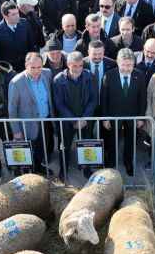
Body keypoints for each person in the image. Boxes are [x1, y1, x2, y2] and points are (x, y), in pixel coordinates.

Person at [99, 48, 145, 176]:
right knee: (112, 140)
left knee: (130, 141)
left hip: (133, 115)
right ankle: (112, 163)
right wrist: (105, 118)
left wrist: (141, 117)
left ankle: (128, 162)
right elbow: (104, 99)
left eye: (130, 65)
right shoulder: (109, 75)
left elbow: (142, 98)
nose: (126, 68)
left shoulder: (139, 75)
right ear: (118, 63)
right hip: (114, 115)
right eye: (124, 64)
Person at [8, 52, 54, 175]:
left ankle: (38, 167)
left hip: (45, 120)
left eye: (39, 67)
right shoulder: (16, 82)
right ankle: (28, 174)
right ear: (26, 65)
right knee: (29, 150)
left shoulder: (47, 74)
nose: (36, 71)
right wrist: (16, 131)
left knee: (41, 147)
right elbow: (12, 109)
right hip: (27, 124)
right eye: (32, 67)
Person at [52, 51, 97, 177]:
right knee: (64, 146)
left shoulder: (90, 77)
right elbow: (59, 104)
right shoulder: (58, 80)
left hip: (85, 120)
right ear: (68, 64)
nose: (78, 69)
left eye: (80, 66)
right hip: (66, 121)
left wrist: (84, 118)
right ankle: (63, 169)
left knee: (86, 145)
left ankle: (87, 169)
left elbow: (93, 99)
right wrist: (73, 120)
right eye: (74, 66)